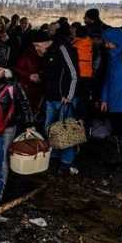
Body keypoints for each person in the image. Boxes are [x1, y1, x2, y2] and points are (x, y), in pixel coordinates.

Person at [33, 30, 80, 175]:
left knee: (66, 130)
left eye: (37, 45)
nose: (36, 49)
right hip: (50, 97)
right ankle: (54, 156)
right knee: (50, 128)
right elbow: (52, 73)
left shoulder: (62, 49)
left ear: (45, 42)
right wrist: (40, 76)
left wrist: (69, 95)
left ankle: (66, 163)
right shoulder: (47, 54)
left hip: (63, 98)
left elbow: (73, 74)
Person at [0, 53, 34, 186]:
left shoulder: (13, 85)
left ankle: (1, 186)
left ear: (5, 70)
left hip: (8, 126)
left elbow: (24, 103)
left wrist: (29, 123)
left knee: (2, 157)